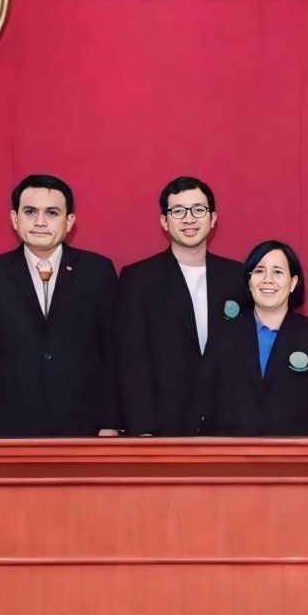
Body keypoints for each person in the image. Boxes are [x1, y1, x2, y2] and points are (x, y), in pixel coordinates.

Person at [0, 174, 120, 437]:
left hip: (84, 424)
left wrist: (110, 422)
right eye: (30, 211)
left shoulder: (97, 271)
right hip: (9, 426)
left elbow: (112, 351)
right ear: (15, 219)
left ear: (69, 221)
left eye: (52, 213)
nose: (40, 221)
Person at [117, 176, 248, 436]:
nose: (189, 219)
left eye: (198, 209)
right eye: (178, 211)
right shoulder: (138, 278)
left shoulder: (238, 277)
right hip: (163, 426)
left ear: (212, 218)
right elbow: (131, 359)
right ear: (164, 221)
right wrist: (142, 429)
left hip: (228, 424)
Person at [195, 240, 308, 436]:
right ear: (249, 281)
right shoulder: (224, 334)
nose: (268, 279)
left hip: (294, 452)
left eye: (277, 272)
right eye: (259, 271)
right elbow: (204, 403)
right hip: (233, 451)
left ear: (293, 283)